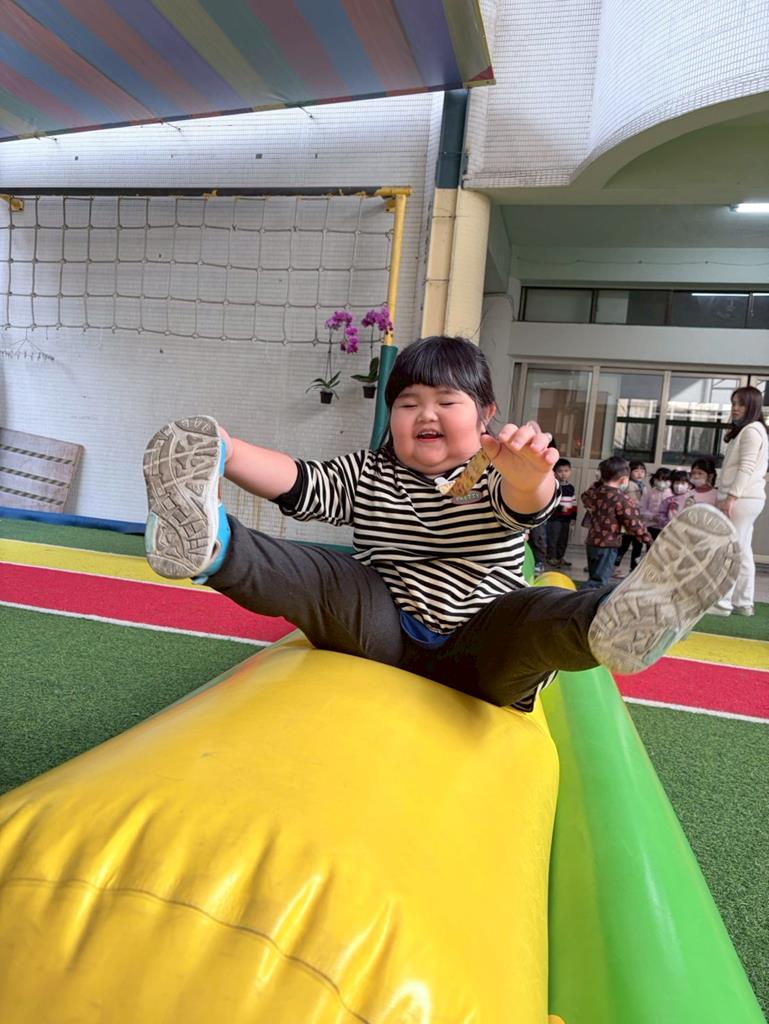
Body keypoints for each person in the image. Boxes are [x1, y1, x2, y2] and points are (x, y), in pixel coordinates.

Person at [143, 335, 739, 708]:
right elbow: (298, 480)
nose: (424, 414)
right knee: (326, 574)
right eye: (407, 404)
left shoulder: (496, 472)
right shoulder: (369, 472)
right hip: (380, 630)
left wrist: (530, 474)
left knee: (535, 612)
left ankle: (615, 619)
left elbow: (528, 501)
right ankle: (211, 543)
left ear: (485, 415)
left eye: (446, 401)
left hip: (479, 648)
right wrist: (224, 450)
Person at [711, 385, 768, 617]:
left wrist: (731, 497)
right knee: (742, 550)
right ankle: (743, 603)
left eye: (741, 404)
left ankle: (723, 602)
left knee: (731, 549)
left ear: (752, 406)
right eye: (733, 403)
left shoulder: (751, 431)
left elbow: (746, 468)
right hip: (747, 498)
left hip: (741, 498)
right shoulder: (753, 430)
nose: (735, 408)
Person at [580, 457, 654, 589]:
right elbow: (633, 522)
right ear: (623, 479)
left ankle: (585, 596)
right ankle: (583, 599)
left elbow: (585, 497)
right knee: (598, 582)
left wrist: (598, 484)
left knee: (593, 576)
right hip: (608, 544)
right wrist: (647, 539)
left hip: (592, 542)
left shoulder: (596, 492)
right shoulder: (622, 498)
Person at [614, 460, 647, 573]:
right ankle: (615, 565)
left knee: (638, 545)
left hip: (639, 520)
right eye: (636, 471)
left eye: (642, 471)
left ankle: (634, 567)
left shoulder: (643, 486)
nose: (639, 474)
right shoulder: (627, 484)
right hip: (628, 519)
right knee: (624, 544)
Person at [546, 458, 576, 567]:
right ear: (554, 472)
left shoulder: (570, 488)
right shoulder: (553, 486)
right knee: (553, 538)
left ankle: (560, 557)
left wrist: (573, 517)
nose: (563, 474)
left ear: (570, 471)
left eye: (566, 471)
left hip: (566, 519)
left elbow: (573, 503)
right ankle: (551, 557)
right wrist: (560, 508)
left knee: (563, 539)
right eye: (560, 471)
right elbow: (549, 502)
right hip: (555, 518)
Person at [639, 467, 672, 540]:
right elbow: (642, 508)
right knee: (651, 545)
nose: (662, 482)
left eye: (665, 480)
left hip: (667, 527)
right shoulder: (649, 492)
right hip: (651, 526)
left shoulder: (672, 494)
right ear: (655, 479)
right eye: (659, 479)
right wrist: (652, 516)